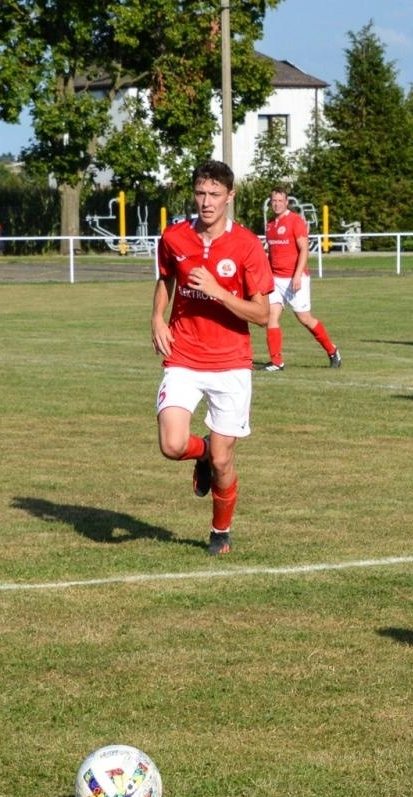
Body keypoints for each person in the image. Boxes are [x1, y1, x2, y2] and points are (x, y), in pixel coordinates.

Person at [152, 160, 272, 556]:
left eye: (215, 195)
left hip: (232, 363)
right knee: (171, 445)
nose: (206, 202)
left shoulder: (247, 245)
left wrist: (219, 291)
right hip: (183, 355)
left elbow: (260, 314)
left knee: (224, 463)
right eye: (201, 194)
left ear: (230, 197)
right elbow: (166, 278)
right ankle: (199, 452)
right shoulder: (173, 237)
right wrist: (157, 317)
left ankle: (220, 531)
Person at [259, 187, 340, 372]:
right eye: (274, 200)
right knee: (271, 317)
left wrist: (297, 275)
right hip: (276, 279)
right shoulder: (270, 225)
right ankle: (277, 362)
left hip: (295, 278)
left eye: (280, 200)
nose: (277, 203)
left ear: (286, 202)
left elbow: (304, 249)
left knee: (304, 318)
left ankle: (332, 350)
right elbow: (271, 253)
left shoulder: (295, 221)